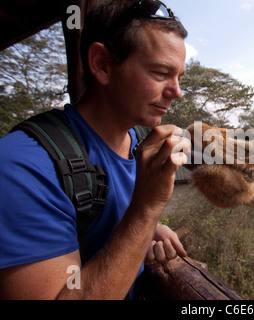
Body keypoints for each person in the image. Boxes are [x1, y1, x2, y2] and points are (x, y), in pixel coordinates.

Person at [0, 0, 191, 299]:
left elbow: (106, 226)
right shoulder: (24, 165)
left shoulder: (141, 143)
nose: (176, 91)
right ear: (102, 64)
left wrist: (147, 232)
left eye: (179, 77)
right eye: (160, 73)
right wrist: (146, 211)